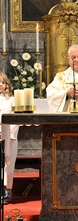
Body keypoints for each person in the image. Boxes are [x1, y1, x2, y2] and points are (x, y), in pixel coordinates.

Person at [0, 73, 19, 204]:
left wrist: (10, 133)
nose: (0, 85)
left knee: (8, 165)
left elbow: (16, 118)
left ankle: (8, 192)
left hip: (9, 137)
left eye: (2, 82)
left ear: (6, 85)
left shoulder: (11, 99)